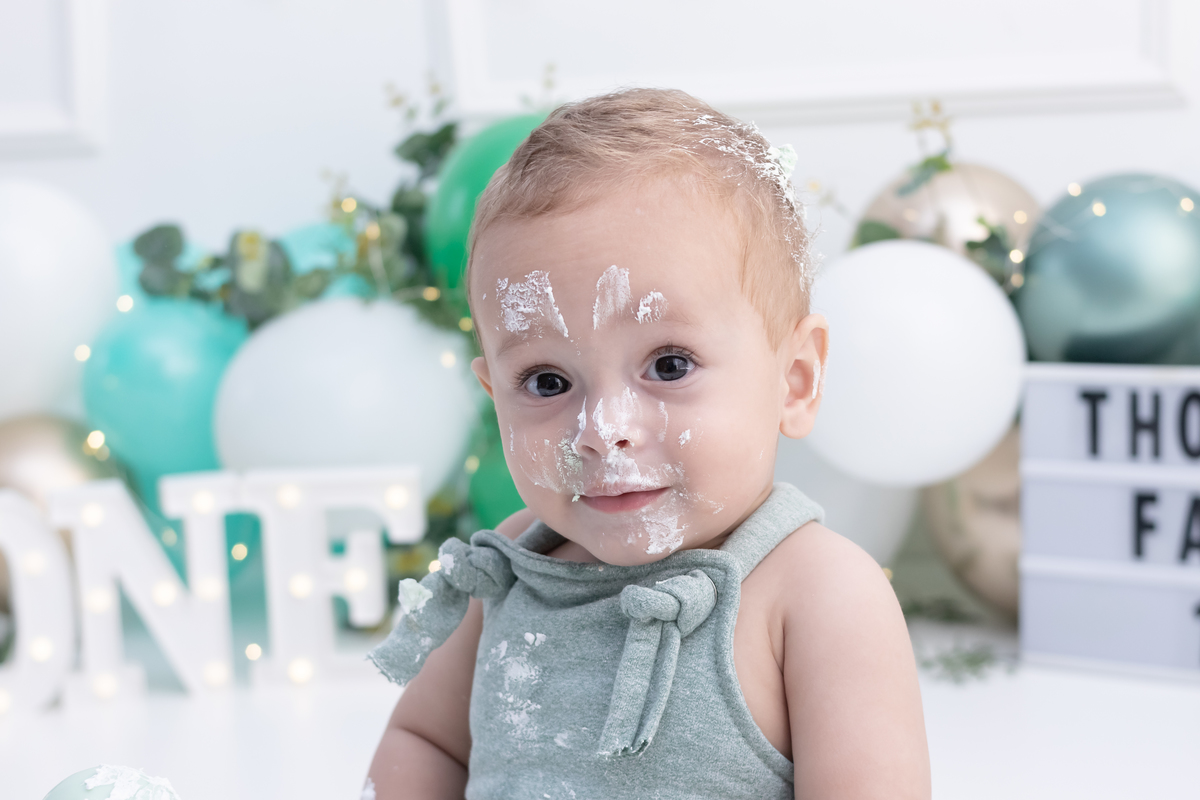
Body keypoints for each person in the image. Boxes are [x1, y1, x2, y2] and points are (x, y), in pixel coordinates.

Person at [365, 88, 930, 800]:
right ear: (493, 393)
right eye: (546, 381)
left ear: (794, 380)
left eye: (669, 365)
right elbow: (425, 741)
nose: (604, 431)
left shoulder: (817, 595)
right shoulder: (506, 572)